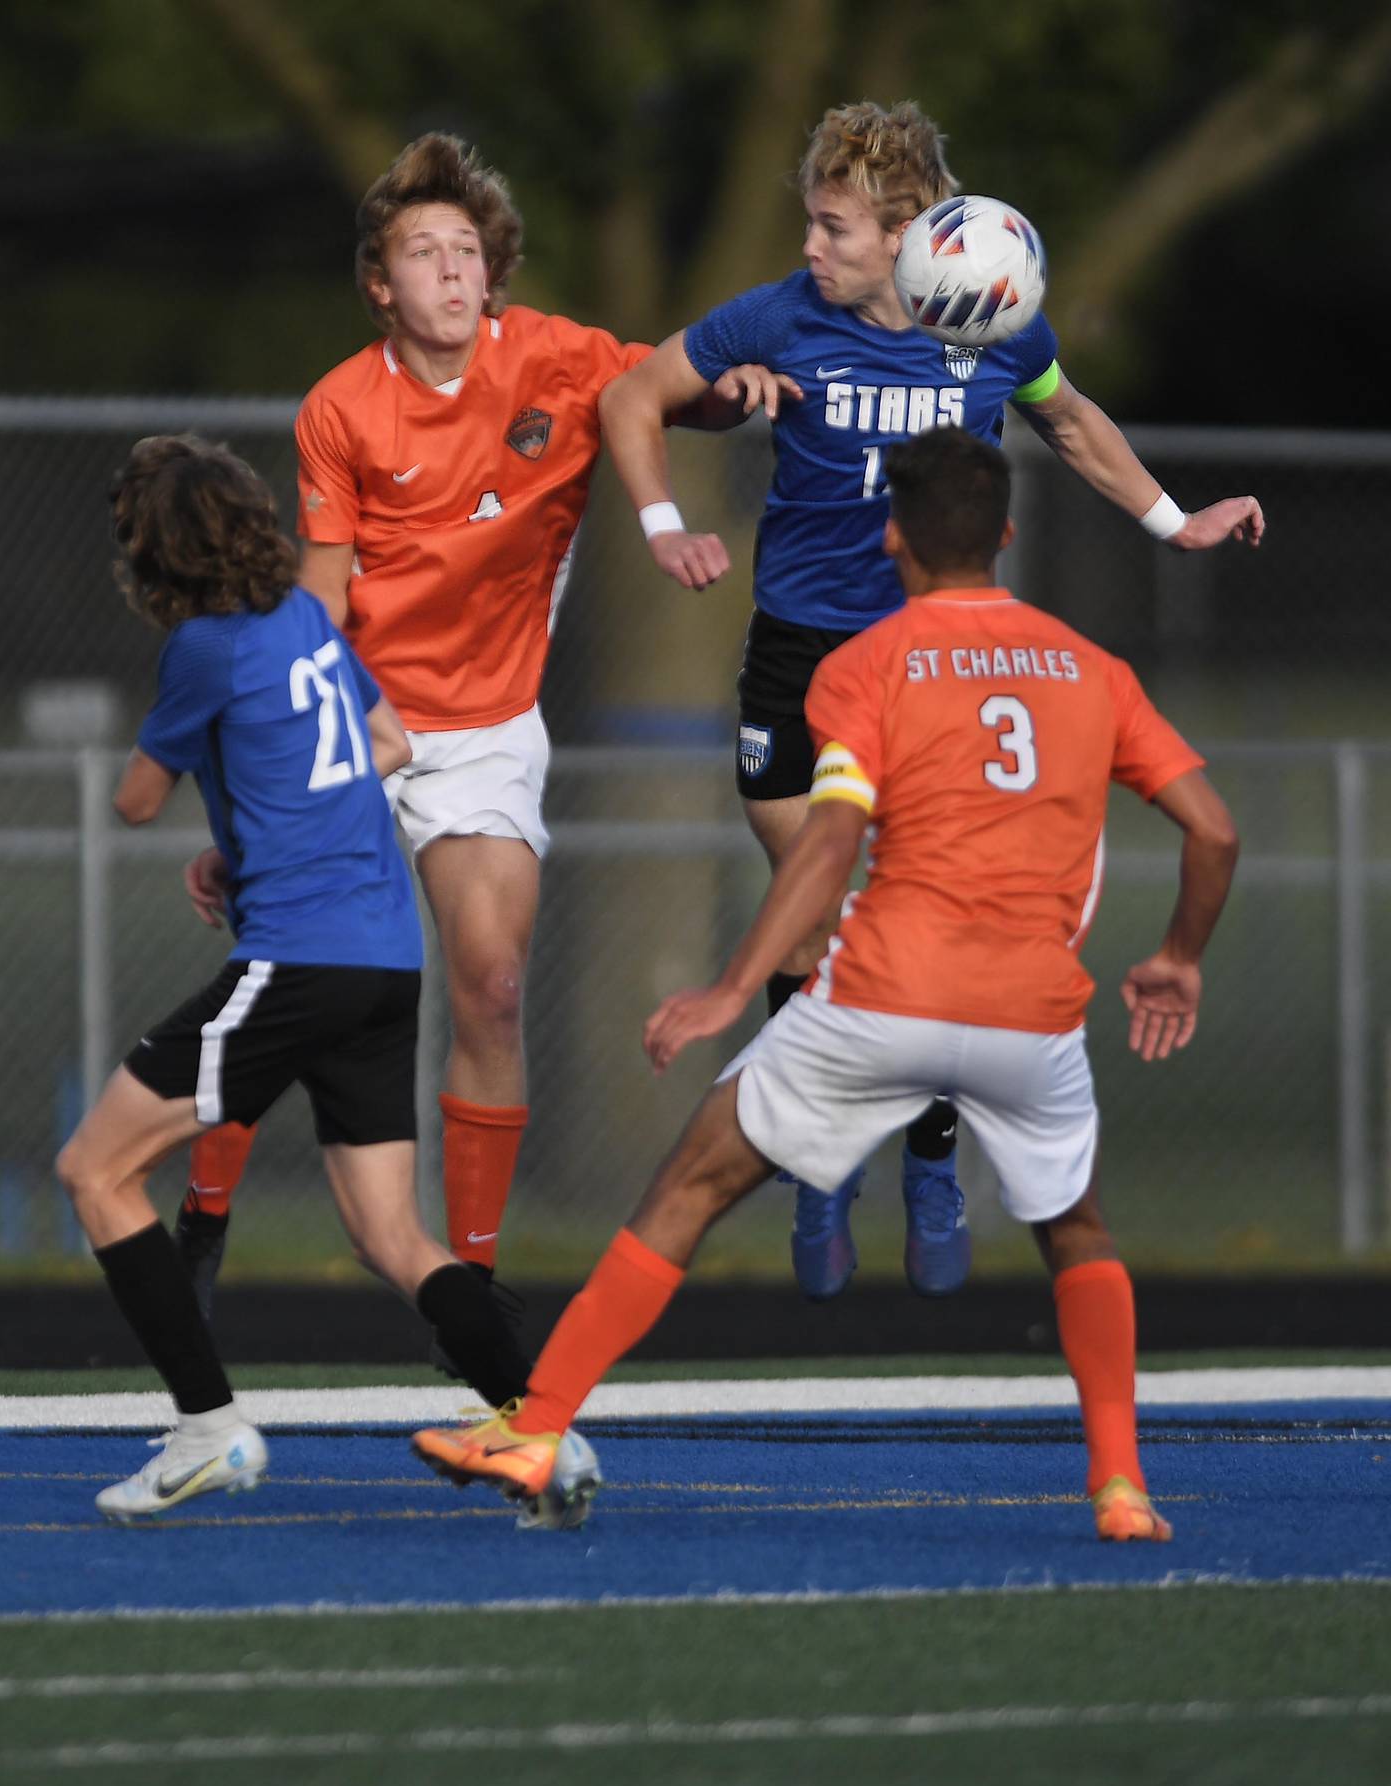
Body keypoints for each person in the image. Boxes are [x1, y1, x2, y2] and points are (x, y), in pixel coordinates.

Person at [410, 426, 1241, 1545]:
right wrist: (1178, 955)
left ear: (893, 537)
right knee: (1078, 1230)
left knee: (689, 1185)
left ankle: (535, 1424)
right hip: (1029, 1019)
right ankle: (1122, 1485)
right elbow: (1215, 829)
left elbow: (827, 841)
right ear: (1002, 533)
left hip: (880, 1002)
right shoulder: (1095, 670)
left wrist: (732, 983)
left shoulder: (866, 664)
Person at [597, 98, 1262, 1304]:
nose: (810, 247)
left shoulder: (992, 316)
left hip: (938, 667)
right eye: (809, 221)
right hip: (799, 659)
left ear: (907, 232)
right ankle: (819, 1155)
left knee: (934, 921)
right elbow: (633, 395)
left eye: (834, 228)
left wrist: (1177, 519)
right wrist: (664, 525)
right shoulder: (777, 317)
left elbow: (1070, 422)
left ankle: (935, 1156)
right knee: (810, 919)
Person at [174, 130, 771, 1316]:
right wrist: (301, 752)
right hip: (363, 709)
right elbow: (323, 599)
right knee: (291, 977)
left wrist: (730, 392)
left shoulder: (556, 357)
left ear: (490, 275)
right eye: (420, 252)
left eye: (466, 250)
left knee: (492, 983)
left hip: (491, 726)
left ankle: (474, 1281)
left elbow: (659, 392)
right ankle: (205, 1206)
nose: (450, 270)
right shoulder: (341, 410)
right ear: (379, 285)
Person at [56, 433, 597, 1526]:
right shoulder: (306, 617)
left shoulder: (202, 648)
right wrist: (250, 840)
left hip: (297, 957)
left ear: (158, 554)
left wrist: (225, 823)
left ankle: (207, 1428)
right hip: (384, 958)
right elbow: (388, 742)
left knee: (94, 1168)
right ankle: (545, 1428)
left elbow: (134, 801)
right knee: (391, 1235)